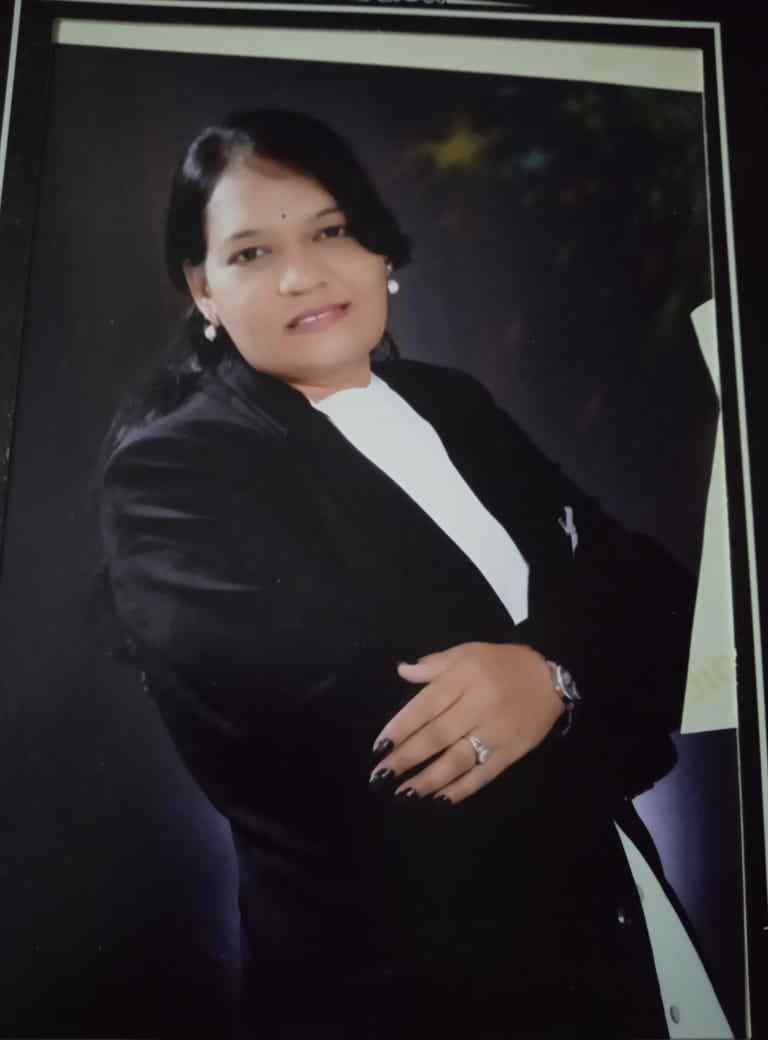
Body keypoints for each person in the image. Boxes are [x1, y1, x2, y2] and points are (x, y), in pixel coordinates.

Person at [99, 109, 730, 1038]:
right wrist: (591, 671)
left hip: (621, 923)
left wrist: (548, 675)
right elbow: (374, 739)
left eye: (330, 232)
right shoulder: (174, 474)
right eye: (251, 253)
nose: (303, 275)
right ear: (203, 288)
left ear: (378, 247)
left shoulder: (453, 403)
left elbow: (668, 606)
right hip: (418, 990)